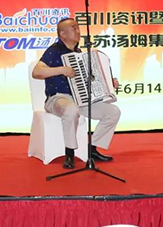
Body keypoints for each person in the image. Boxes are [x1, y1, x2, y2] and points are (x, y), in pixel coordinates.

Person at [33, 17, 121, 169]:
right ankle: (69, 153)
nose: (78, 31)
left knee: (113, 112)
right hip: (58, 98)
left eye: (78, 27)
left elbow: (91, 80)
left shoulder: (80, 53)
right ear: (63, 34)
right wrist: (61, 70)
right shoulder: (54, 51)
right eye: (74, 28)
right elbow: (37, 72)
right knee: (71, 109)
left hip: (81, 99)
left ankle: (92, 149)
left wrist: (108, 82)